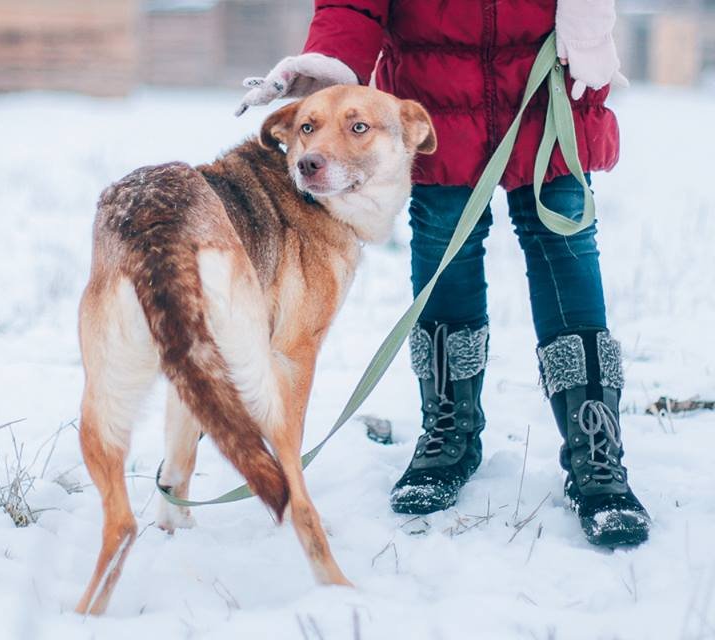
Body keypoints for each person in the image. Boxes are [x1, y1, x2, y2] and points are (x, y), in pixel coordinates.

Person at [237, 0, 650, 547]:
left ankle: (595, 453)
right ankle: (449, 434)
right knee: (444, 256)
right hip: (435, 99)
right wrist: (330, 61)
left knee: (566, 253)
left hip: (548, 87)